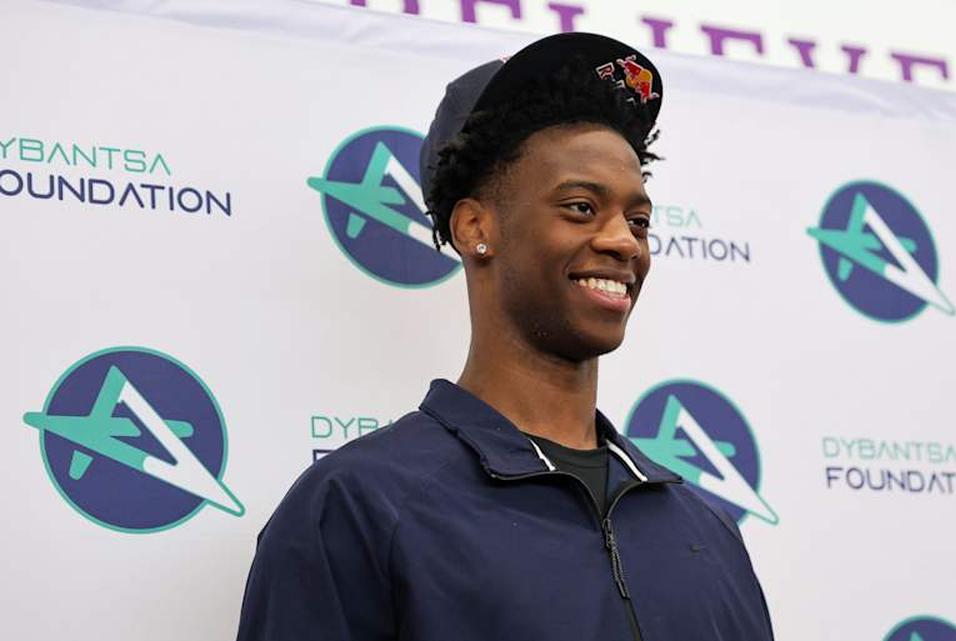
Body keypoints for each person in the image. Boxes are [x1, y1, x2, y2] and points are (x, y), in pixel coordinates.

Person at [236, 32, 775, 641]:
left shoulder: (706, 528)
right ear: (475, 227)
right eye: (580, 207)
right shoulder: (357, 507)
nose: (624, 241)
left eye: (639, 220)